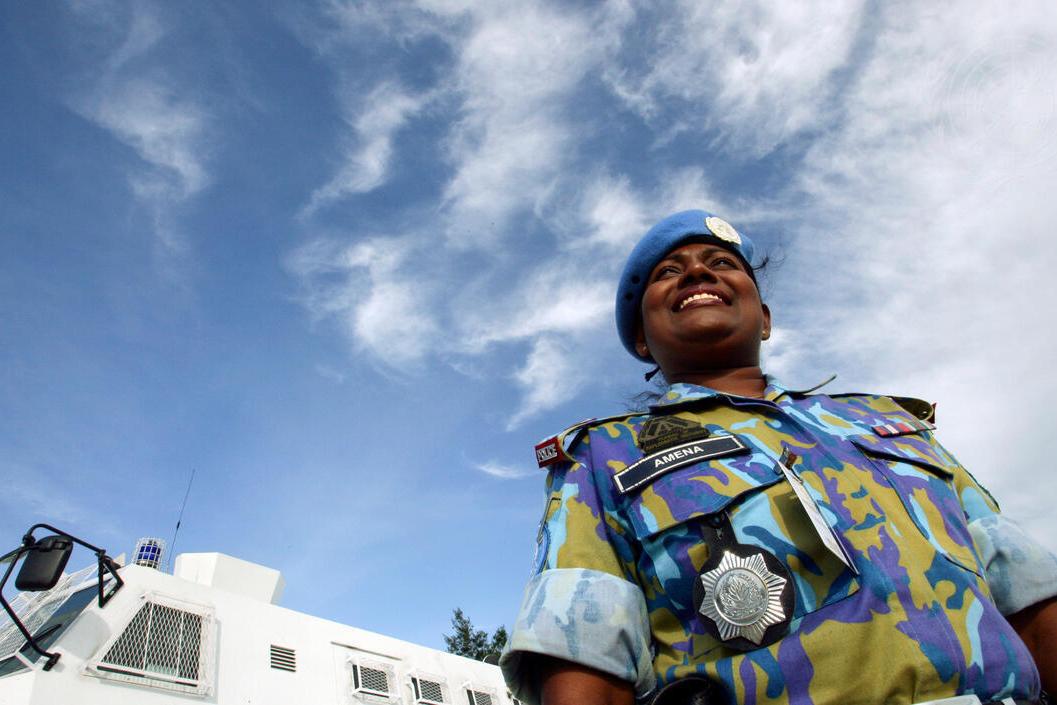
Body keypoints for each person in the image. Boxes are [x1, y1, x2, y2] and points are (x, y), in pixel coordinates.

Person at [500, 209, 1057, 705]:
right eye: (668, 273)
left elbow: (1030, 597)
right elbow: (584, 661)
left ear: (764, 318)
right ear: (643, 341)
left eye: (721, 261)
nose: (697, 272)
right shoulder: (604, 457)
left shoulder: (891, 421)